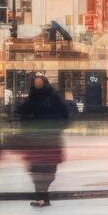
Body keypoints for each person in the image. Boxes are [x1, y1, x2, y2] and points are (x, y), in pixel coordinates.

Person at [15, 74, 70, 207]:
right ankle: (41, 197)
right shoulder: (32, 97)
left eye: (40, 82)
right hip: (35, 139)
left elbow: (64, 114)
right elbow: (24, 114)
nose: (38, 84)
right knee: (36, 169)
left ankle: (43, 196)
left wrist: (56, 126)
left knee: (48, 169)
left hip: (49, 137)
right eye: (36, 82)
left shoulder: (53, 97)